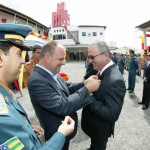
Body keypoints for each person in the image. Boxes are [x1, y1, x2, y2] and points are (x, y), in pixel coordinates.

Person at [0, 23, 75, 150]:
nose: (23, 61)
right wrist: (61, 134)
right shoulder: (3, 117)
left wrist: (28, 128)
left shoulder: (5, 93)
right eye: (19, 54)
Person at [27, 40, 100, 150]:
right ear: (47, 57)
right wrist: (87, 89)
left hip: (63, 131)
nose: (64, 62)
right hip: (56, 133)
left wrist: (84, 83)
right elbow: (62, 106)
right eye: (61, 59)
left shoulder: (50, 72)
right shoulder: (37, 80)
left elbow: (66, 87)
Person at [81, 41, 126, 150]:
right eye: (89, 57)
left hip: (100, 130)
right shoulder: (101, 71)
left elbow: (111, 114)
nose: (90, 61)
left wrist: (89, 98)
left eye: (92, 57)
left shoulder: (115, 80)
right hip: (94, 127)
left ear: (106, 55)